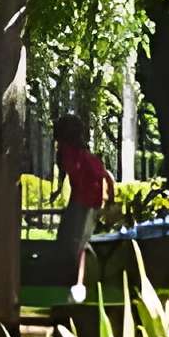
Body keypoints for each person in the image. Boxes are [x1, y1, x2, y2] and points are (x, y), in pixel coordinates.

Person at [52, 114, 114, 298]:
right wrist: (58, 190)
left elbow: (105, 176)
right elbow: (68, 173)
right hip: (81, 200)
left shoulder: (78, 154)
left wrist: (109, 200)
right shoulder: (69, 152)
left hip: (87, 203)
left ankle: (79, 285)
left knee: (78, 243)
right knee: (69, 239)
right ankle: (73, 282)